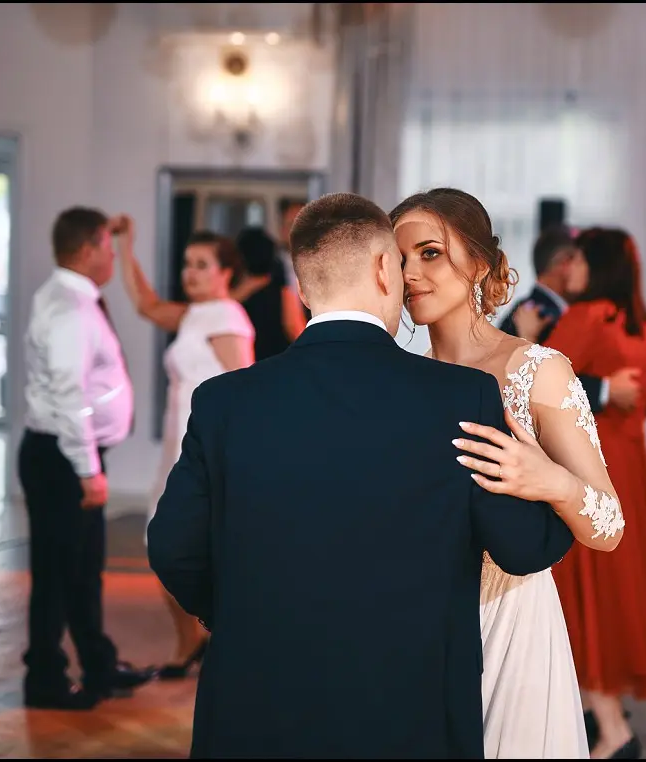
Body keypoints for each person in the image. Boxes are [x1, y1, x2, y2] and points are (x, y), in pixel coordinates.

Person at [147, 192, 574, 759]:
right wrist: (553, 479)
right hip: (407, 711)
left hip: (255, 709)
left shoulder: (224, 402)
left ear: (302, 288)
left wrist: (242, 614)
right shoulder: (460, 397)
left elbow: (171, 545)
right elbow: (522, 547)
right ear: (382, 268)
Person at [391, 188, 625, 760]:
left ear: (479, 263)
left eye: (429, 253)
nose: (412, 273)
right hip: (416, 620)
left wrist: (550, 480)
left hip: (509, 619)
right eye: (399, 259)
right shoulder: (397, 380)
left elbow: (610, 525)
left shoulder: (536, 372)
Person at [545, 227, 646, 759]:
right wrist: (616, 395)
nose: (568, 269)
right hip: (629, 469)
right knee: (616, 591)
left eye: (577, 259)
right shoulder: (638, 322)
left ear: (598, 264)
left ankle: (611, 730)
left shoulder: (588, 315)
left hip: (590, 466)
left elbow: (536, 380)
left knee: (587, 596)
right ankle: (602, 714)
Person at [18, 207, 154, 710]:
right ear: (87, 250)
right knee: (57, 572)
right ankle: (45, 680)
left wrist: (122, 229)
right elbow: (69, 394)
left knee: (83, 569)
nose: (112, 255)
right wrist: (87, 470)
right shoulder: (70, 309)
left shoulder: (71, 297)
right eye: (108, 246)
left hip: (69, 456)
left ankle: (97, 663)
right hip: (62, 459)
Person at [116, 223, 254, 678]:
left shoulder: (227, 317)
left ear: (225, 273)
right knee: (164, 546)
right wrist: (125, 246)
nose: (190, 273)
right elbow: (146, 305)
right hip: (177, 452)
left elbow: (244, 391)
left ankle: (217, 643)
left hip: (207, 456)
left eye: (201, 265)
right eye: (187, 264)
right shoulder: (197, 314)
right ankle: (191, 640)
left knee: (193, 549)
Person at [499, 225, 644, 416]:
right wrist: (605, 389)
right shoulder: (536, 314)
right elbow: (535, 383)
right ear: (564, 264)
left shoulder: (551, 311)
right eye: (579, 260)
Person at [233, 226, 307, 361]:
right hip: (280, 362)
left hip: (252, 364)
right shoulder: (282, 290)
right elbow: (294, 327)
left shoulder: (233, 297)